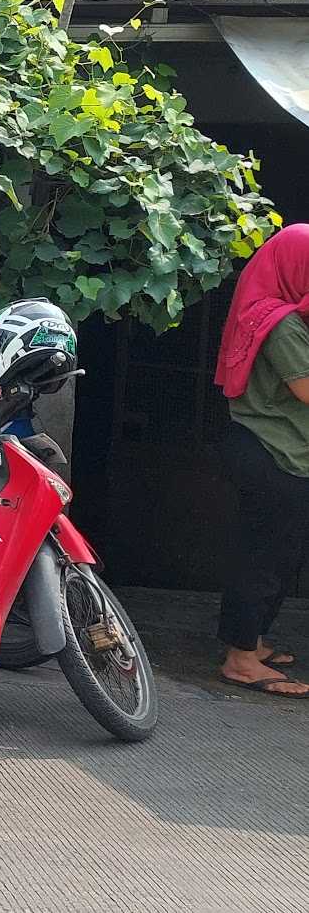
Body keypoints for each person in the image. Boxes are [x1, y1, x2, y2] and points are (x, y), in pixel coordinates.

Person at [213, 225, 309, 698]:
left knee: (280, 554)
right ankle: (241, 660)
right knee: (265, 558)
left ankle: (252, 641)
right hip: (271, 453)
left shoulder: (289, 315)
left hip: (286, 454)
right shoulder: (280, 322)